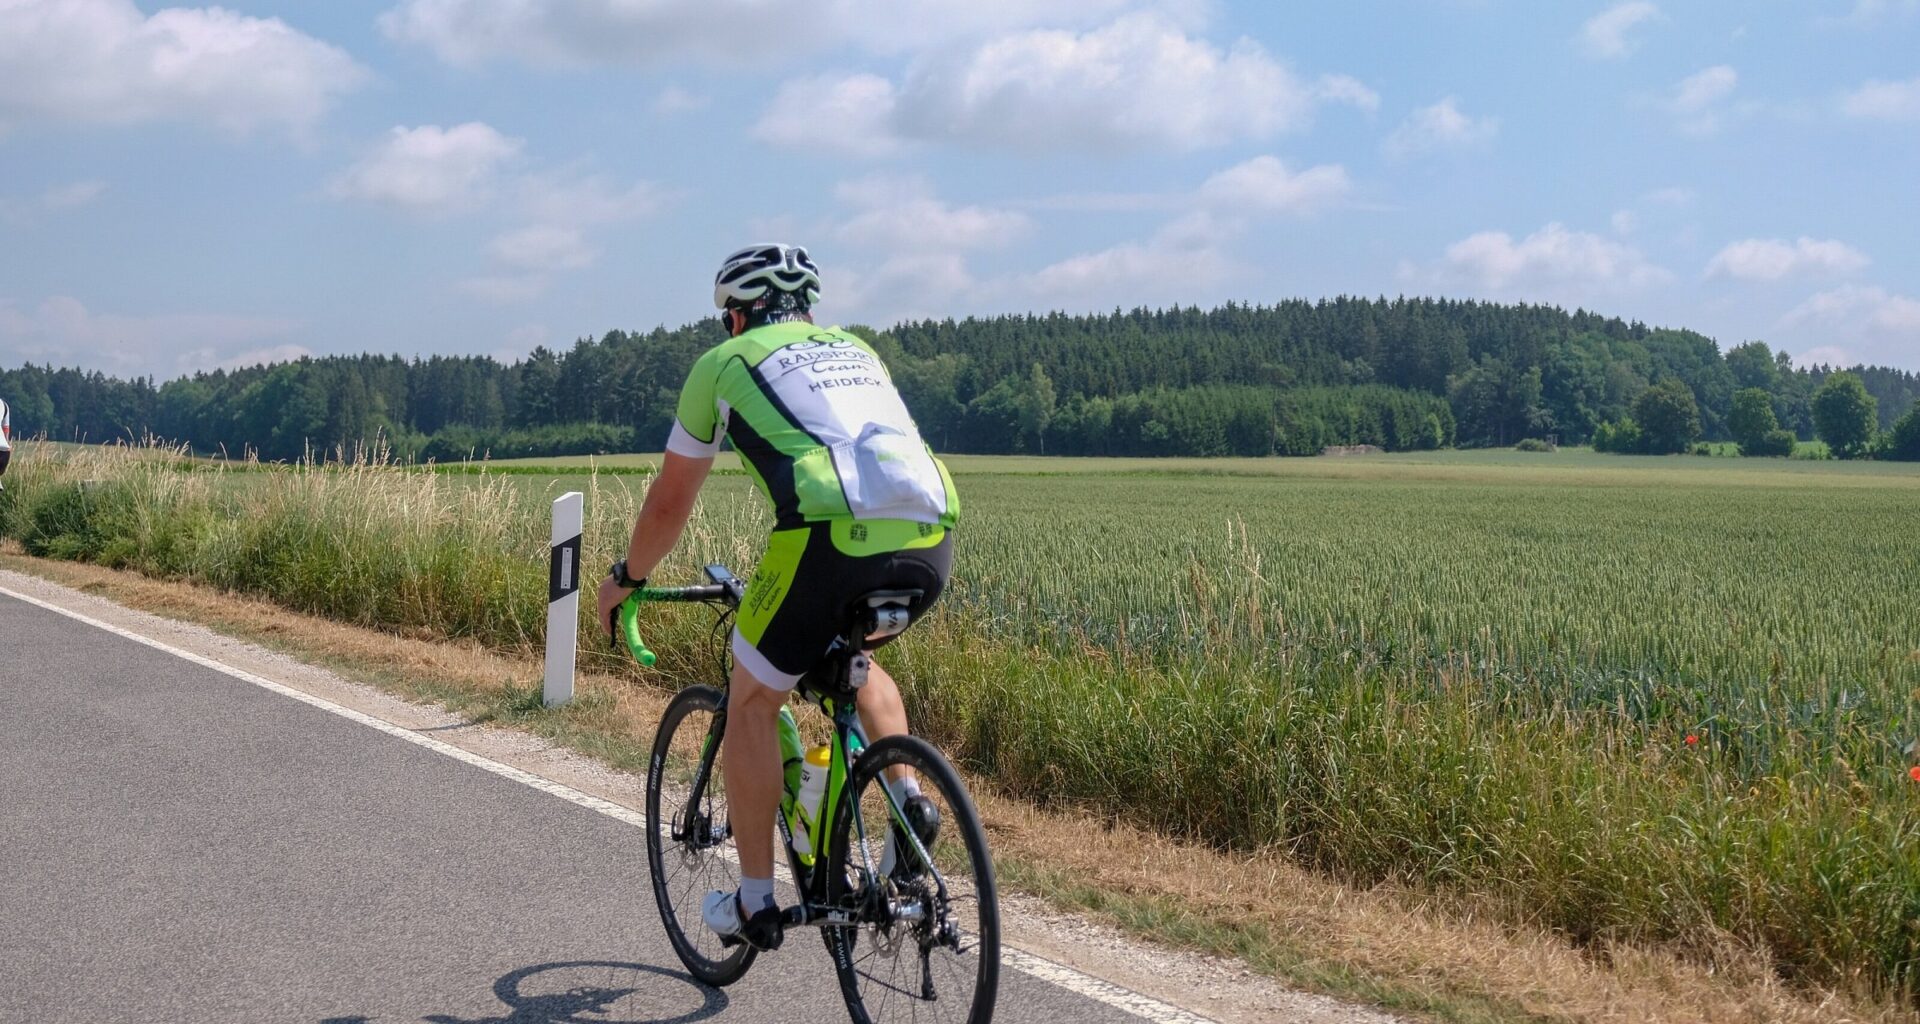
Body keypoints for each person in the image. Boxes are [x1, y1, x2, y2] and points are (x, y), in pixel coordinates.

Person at [596, 243, 960, 951]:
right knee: (853, 664)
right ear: (808, 310)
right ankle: (909, 800)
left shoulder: (722, 364)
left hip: (827, 535)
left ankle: (756, 903)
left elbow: (671, 502)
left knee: (754, 697)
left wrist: (628, 578)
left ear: (737, 314)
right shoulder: (857, 350)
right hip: (930, 535)